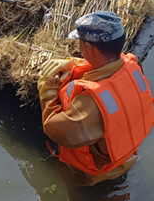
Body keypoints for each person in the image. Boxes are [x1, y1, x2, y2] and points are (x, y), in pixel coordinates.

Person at [38, 11, 154, 186]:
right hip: (125, 156)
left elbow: (57, 131)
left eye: (80, 42)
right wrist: (72, 63)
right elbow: (107, 67)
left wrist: (47, 89)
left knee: (59, 180)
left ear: (90, 48)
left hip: (92, 173)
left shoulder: (91, 102)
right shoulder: (132, 67)